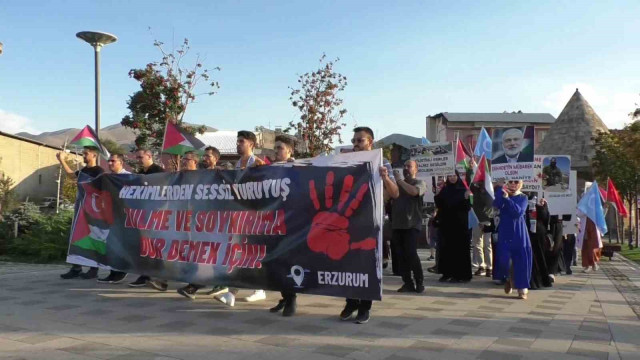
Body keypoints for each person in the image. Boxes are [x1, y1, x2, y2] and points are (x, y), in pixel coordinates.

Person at [339, 126, 399, 324]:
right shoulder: (346, 162)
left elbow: (395, 193)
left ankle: (365, 306)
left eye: (360, 141)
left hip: (371, 223)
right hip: (349, 222)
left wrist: (385, 178)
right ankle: (351, 301)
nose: (356, 144)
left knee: (367, 266)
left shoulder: (383, 163)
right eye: (354, 140)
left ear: (370, 142)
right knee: (347, 265)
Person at [216, 131, 266, 307]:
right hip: (239, 215)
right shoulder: (238, 164)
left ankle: (236, 292)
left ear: (251, 144)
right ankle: (246, 290)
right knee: (240, 254)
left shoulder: (258, 163)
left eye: (242, 141)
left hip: (254, 216)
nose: (238, 144)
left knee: (246, 254)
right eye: (237, 141)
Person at [177, 148, 229, 300]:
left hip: (215, 220)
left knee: (215, 251)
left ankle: (215, 283)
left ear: (216, 159)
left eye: (208, 156)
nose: (205, 158)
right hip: (197, 219)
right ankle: (195, 284)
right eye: (204, 156)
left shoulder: (221, 174)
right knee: (198, 252)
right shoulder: (197, 175)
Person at [57, 147, 104, 280]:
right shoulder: (84, 170)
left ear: (94, 155)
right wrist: (62, 160)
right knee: (77, 236)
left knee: (92, 237)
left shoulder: (99, 171)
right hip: (81, 207)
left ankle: (93, 268)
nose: (83, 155)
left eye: (86, 153)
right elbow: (72, 175)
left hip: (92, 209)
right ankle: (76, 267)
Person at [268, 136, 300, 316]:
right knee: (276, 263)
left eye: (279, 148)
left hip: (291, 223)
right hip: (273, 223)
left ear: (289, 151)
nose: (276, 151)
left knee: (288, 261)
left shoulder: (297, 168)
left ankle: (291, 298)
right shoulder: (271, 169)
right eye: (275, 148)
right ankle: (285, 297)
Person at [128, 149, 165, 288]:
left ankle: (155, 275)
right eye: (137, 157)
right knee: (145, 246)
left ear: (149, 156)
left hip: (157, 214)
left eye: (140, 157)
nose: (138, 159)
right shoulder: (141, 174)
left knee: (155, 246)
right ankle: (146, 274)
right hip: (144, 215)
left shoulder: (159, 171)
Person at [392, 160, 427, 294]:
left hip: (412, 224)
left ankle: (419, 282)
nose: (406, 168)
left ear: (416, 169)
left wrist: (400, 180)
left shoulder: (419, 183)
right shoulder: (397, 184)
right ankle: (407, 282)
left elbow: (413, 192)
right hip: (397, 224)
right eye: (404, 166)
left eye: (409, 166)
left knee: (411, 253)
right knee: (401, 255)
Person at [493, 180, 532, 300]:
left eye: (516, 182)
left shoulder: (523, 197)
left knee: (521, 259)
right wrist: (500, 190)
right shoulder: (502, 193)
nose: (513, 184)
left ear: (521, 183)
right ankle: (508, 278)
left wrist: (508, 200)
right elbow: (496, 205)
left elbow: (518, 213)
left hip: (519, 232)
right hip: (505, 230)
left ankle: (522, 288)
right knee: (503, 259)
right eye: (511, 181)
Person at [97, 153, 130, 284]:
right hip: (112, 215)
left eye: (113, 161)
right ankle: (113, 271)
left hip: (125, 216)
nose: (110, 163)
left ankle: (121, 271)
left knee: (121, 245)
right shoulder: (109, 178)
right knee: (111, 244)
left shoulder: (128, 177)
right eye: (109, 161)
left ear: (121, 162)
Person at [434, 173, 472, 283]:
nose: (452, 178)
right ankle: (446, 273)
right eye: (449, 175)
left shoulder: (463, 189)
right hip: (446, 223)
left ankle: (460, 275)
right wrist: (437, 195)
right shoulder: (445, 189)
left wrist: (466, 198)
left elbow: (468, 207)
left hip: (460, 224)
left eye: (454, 175)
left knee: (459, 249)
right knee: (445, 248)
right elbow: (440, 205)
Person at [526, 195, 552, 289]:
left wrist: (542, 206)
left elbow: (546, 217)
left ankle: (539, 280)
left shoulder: (541, 201)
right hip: (527, 231)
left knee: (539, 255)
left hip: (538, 232)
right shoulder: (521, 198)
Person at [470, 181, 494, 277]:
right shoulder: (476, 191)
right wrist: (470, 169)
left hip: (486, 221)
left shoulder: (489, 193)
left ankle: (489, 267)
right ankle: (481, 266)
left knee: (487, 245)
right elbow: (470, 182)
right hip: (476, 220)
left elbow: (490, 207)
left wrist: (486, 220)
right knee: (477, 245)